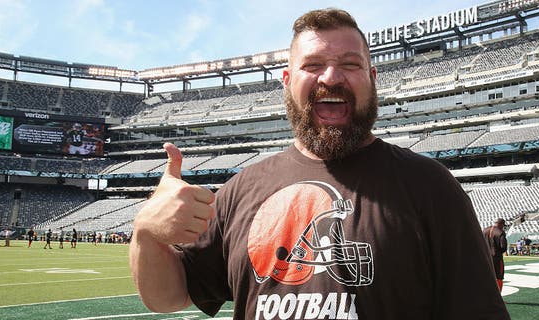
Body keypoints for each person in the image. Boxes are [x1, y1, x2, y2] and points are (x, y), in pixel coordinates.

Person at [129, 8, 509, 319]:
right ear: (287, 80)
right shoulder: (240, 190)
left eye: (350, 63)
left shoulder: (429, 185)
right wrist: (145, 231)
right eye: (312, 65)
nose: (331, 76)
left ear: (372, 78)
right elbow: (168, 297)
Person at [483, 218, 508, 292]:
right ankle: (498, 299)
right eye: (503, 225)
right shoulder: (500, 232)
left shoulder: (485, 230)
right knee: (499, 277)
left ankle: (486, 296)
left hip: (485, 257)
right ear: (501, 224)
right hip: (496, 258)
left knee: (486, 276)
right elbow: (503, 247)